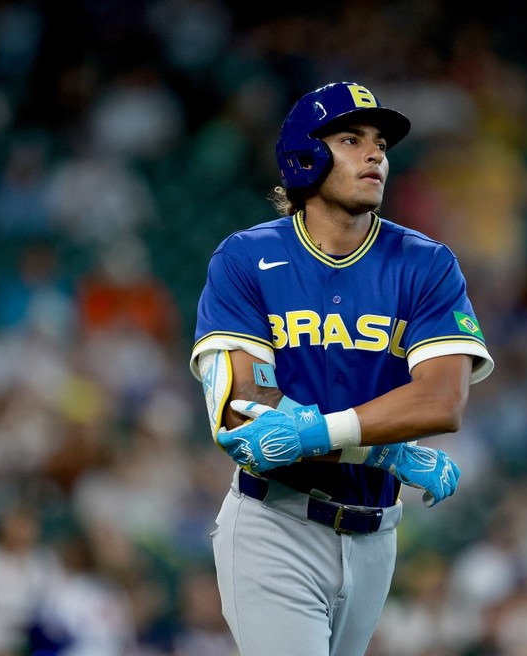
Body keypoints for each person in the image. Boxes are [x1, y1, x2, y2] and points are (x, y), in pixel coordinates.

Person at [189, 81, 494, 656]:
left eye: (380, 142)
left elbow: (442, 402)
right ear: (304, 156)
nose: (375, 153)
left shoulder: (427, 264)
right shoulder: (244, 257)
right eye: (351, 139)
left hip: (377, 535)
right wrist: (383, 449)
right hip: (273, 523)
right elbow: (245, 418)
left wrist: (330, 436)